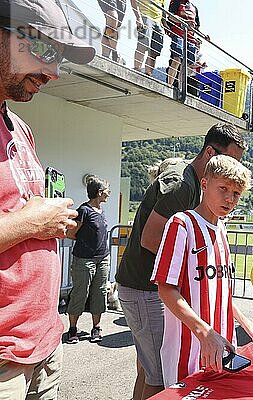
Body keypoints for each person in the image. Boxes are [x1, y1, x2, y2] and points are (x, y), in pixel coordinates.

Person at [0, 0, 95, 397]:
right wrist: (30, 224)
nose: (54, 73)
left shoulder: (20, 127)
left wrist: (53, 224)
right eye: (44, 51)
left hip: (43, 342)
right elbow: (23, 222)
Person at [115, 123, 246, 400]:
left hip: (151, 286)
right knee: (159, 375)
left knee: (148, 368)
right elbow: (151, 240)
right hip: (145, 287)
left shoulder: (200, 192)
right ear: (210, 153)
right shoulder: (181, 186)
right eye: (229, 160)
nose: (232, 170)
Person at [151, 155, 253, 387]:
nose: (229, 199)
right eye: (223, 189)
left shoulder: (222, 228)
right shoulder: (182, 224)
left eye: (236, 193)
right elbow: (166, 290)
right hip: (188, 352)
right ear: (205, 184)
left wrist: (246, 323)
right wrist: (205, 333)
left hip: (223, 347)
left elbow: (218, 290)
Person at [65, 176, 111, 344]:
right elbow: (71, 233)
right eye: (107, 190)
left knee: (99, 293)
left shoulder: (101, 210)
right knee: (80, 293)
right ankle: (72, 330)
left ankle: (96, 327)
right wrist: (86, 243)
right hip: (84, 259)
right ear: (99, 193)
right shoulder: (84, 210)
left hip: (103, 258)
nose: (109, 193)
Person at [166, 0, 202, 87]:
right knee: (177, 59)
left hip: (190, 39)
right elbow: (170, 17)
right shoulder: (176, 1)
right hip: (178, 34)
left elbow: (196, 27)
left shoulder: (194, 8)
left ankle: (181, 88)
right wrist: (185, 22)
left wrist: (203, 36)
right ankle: (169, 85)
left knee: (187, 65)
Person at [133, 0, 166, 76]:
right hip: (145, 16)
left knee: (155, 51)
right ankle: (137, 70)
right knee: (143, 45)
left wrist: (164, 24)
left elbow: (162, 8)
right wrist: (138, 17)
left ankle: (148, 74)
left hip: (158, 22)